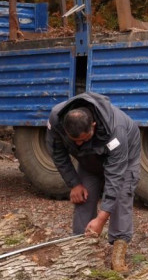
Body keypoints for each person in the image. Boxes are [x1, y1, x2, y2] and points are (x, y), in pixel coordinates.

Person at [46, 92, 142, 271]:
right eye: (75, 141)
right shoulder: (56, 119)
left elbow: (115, 177)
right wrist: (74, 183)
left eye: (83, 139)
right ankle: (80, 248)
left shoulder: (116, 130)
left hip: (124, 159)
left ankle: (118, 253)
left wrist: (101, 218)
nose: (79, 144)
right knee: (84, 195)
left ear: (93, 126)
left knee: (121, 196)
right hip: (89, 159)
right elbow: (57, 153)